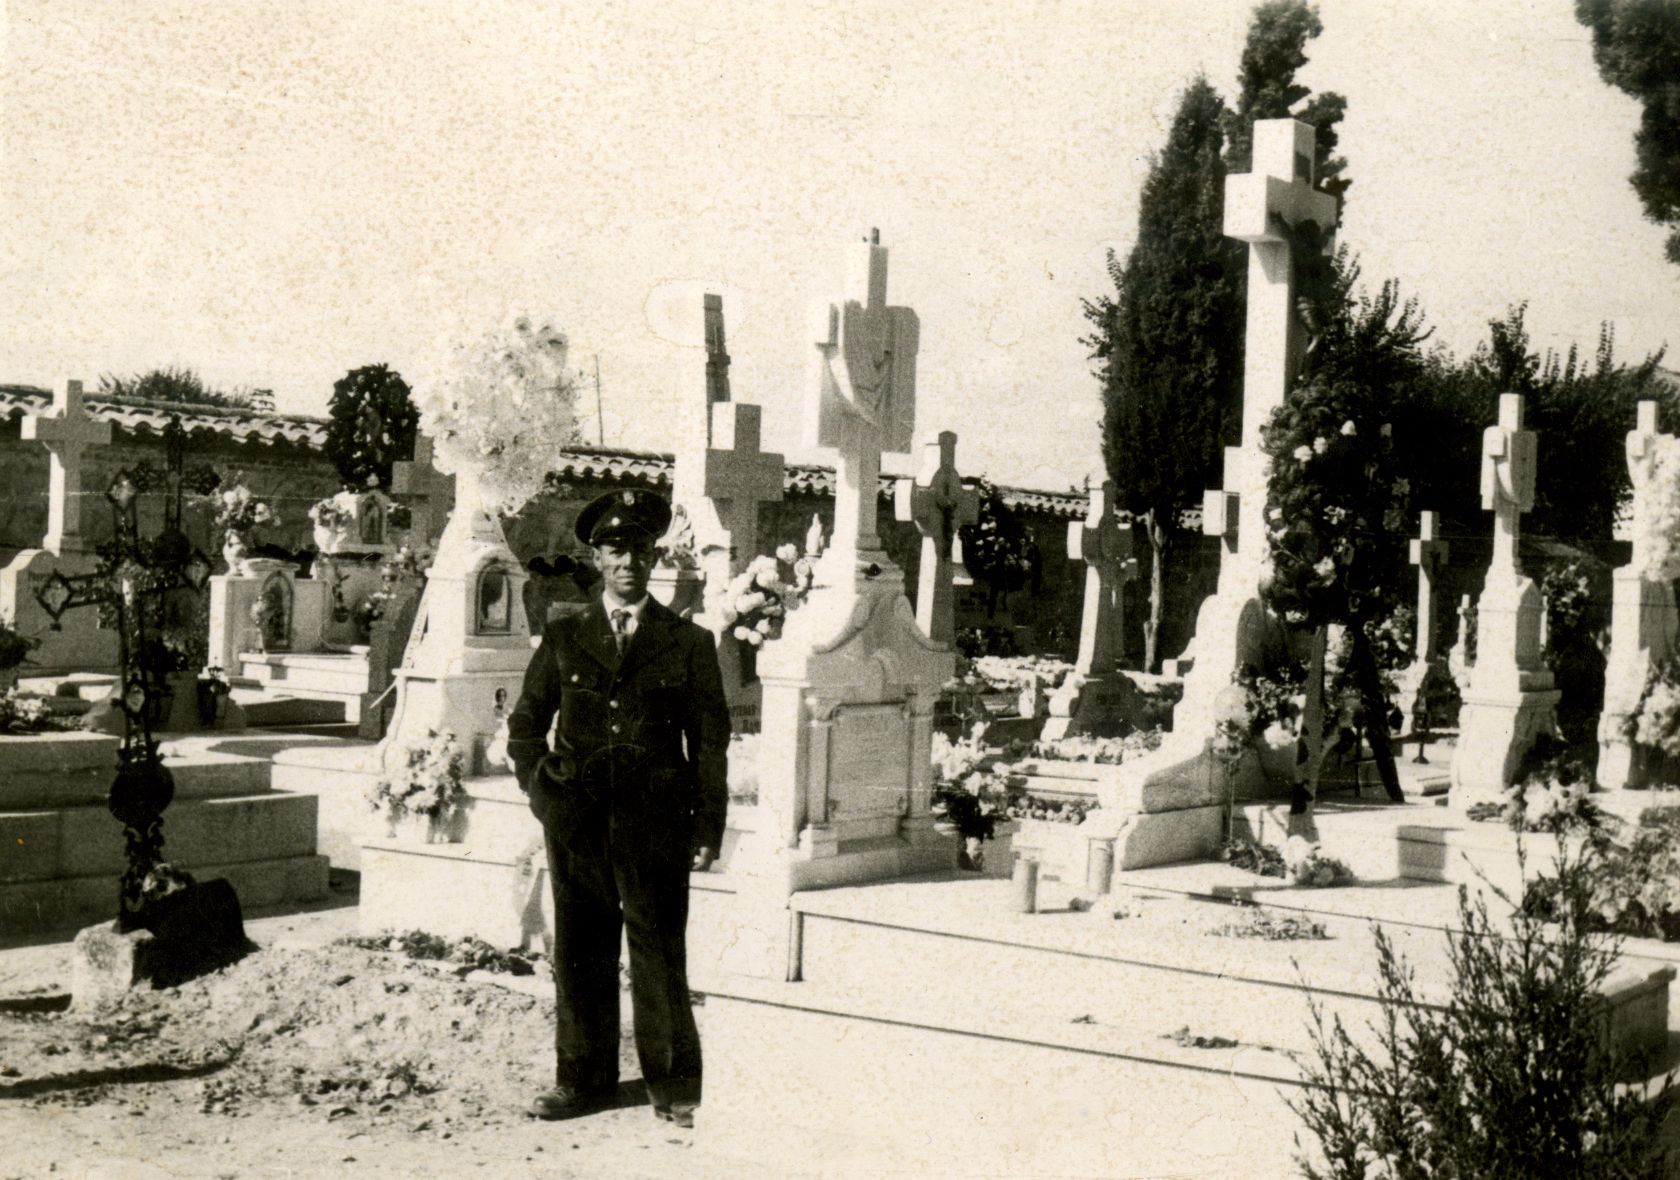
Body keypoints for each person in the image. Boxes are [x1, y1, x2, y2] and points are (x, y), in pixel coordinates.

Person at [506, 489, 730, 1129]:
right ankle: (582, 1079)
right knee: (580, 948)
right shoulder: (566, 634)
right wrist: (543, 790)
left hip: (656, 823)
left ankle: (674, 1086)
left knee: (658, 950)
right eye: (614, 549)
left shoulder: (687, 642)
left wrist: (706, 827)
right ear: (597, 557)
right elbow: (526, 726)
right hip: (576, 821)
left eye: (638, 548)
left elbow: (709, 746)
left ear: (653, 555)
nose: (627, 561)